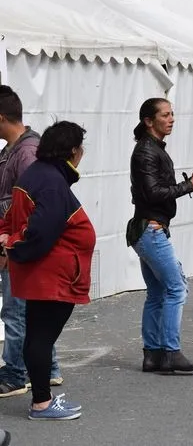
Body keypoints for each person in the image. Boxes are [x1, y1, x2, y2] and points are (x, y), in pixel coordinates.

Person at [0, 121, 92, 420]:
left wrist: (8, 238)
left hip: (45, 272)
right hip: (52, 274)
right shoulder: (51, 181)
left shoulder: (38, 175)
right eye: (81, 148)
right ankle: (41, 402)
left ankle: (42, 398)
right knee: (41, 337)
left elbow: (13, 220)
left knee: (37, 336)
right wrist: (12, 242)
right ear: (73, 151)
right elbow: (38, 231)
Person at [127, 98, 193, 374]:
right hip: (150, 229)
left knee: (158, 292)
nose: (171, 119)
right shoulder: (146, 151)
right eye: (165, 115)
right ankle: (171, 352)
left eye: (172, 113)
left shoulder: (152, 149)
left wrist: (187, 183)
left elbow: (154, 189)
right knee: (176, 288)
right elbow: (152, 193)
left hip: (147, 228)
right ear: (149, 121)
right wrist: (188, 185)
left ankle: (153, 354)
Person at [0, 85, 62, 398]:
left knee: (15, 311)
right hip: (22, 242)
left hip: (19, 244)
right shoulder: (16, 149)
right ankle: (47, 369)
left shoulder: (25, 153)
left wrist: (10, 245)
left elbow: (31, 205)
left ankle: (14, 374)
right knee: (31, 310)